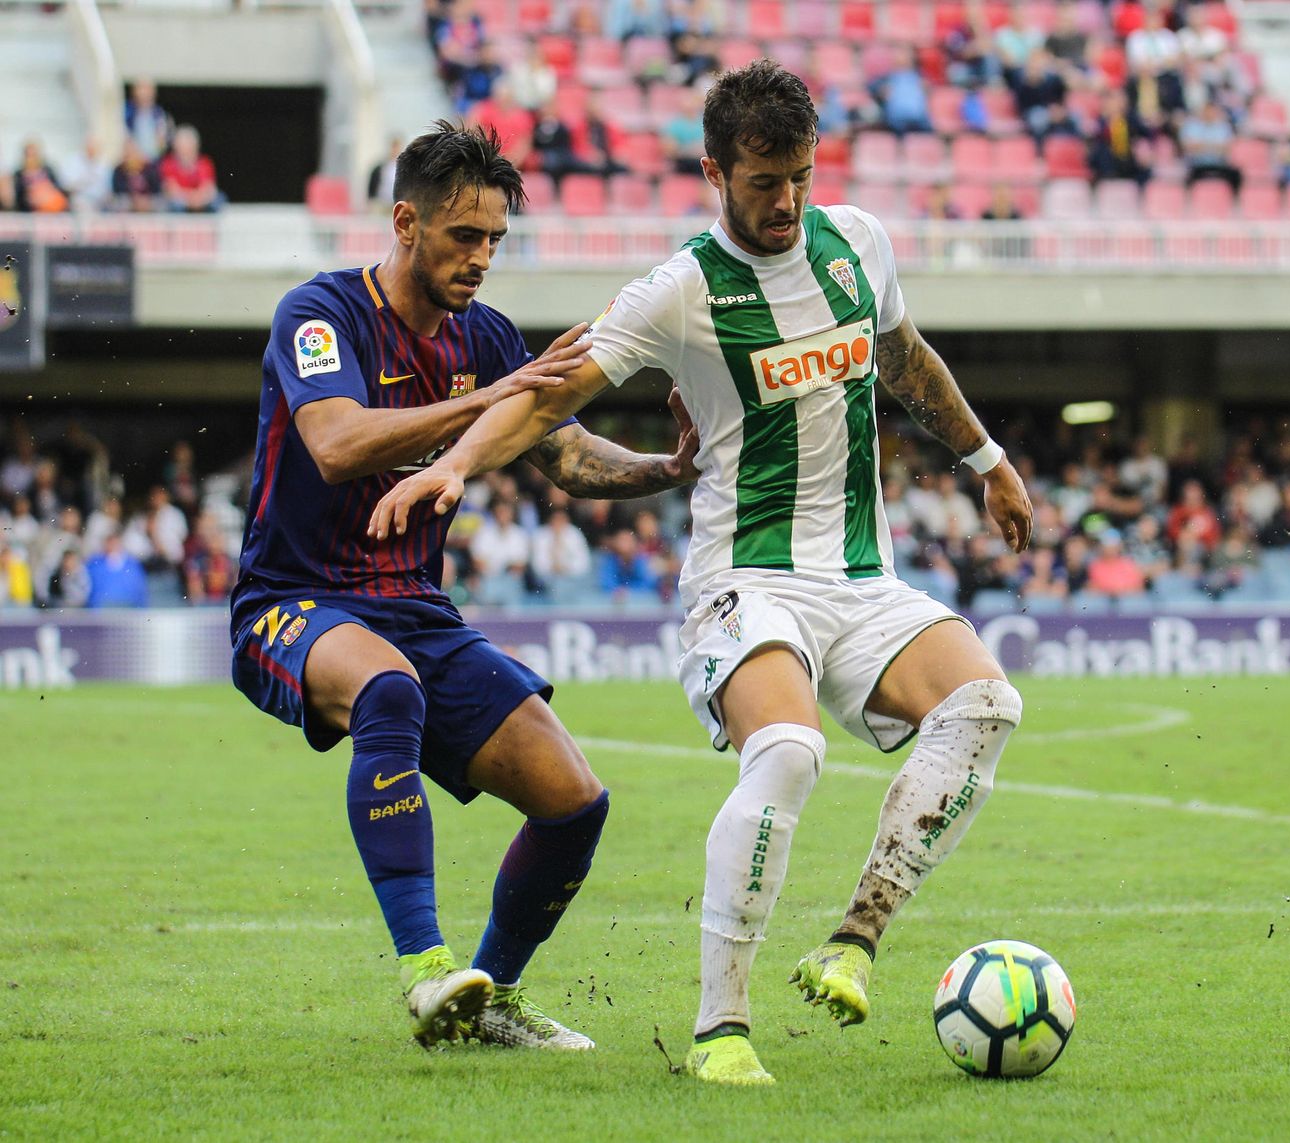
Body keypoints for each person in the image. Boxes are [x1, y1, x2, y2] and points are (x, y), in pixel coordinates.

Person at [368, 62, 1034, 1086]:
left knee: (986, 705)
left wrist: (986, 462)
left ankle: (852, 940)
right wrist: (456, 461)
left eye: (801, 177)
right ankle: (722, 1028)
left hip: (862, 581)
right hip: (746, 581)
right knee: (788, 752)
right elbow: (549, 398)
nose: (786, 203)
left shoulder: (856, 243)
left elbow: (903, 358)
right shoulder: (679, 290)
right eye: (764, 181)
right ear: (713, 171)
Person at [229, 122, 698, 1050]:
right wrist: (491, 396)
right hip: (294, 599)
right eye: (463, 238)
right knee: (387, 690)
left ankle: (490, 999)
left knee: (574, 801)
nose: (482, 259)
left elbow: (561, 452)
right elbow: (335, 443)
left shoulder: (486, 338)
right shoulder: (319, 314)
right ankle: (424, 967)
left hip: (416, 607)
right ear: (406, 222)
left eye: (494, 241)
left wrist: (666, 467)